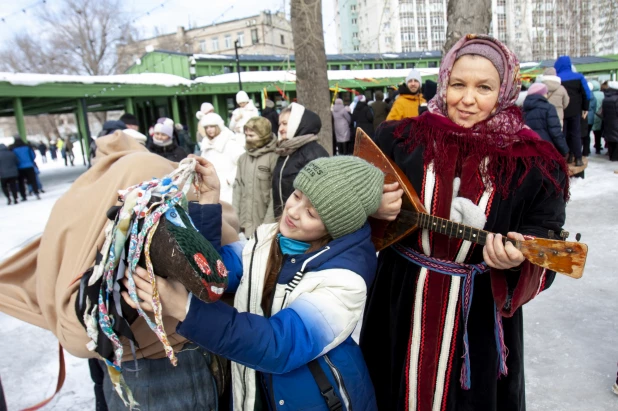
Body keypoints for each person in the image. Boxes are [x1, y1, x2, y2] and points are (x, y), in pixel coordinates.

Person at [360, 34, 569, 411]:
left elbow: (546, 239)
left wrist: (517, 259)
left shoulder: (535, 163)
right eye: (458, 84)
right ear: (443, 82)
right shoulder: (401, 140)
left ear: (505, 89)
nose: (467, 99)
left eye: (484, 87)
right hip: (400, 301)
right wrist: (372, 208)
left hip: (478, 319)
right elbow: (351, 209)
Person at [123, 155, 385, 411]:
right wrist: (208, 202)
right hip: (255, 390)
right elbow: (214, 273)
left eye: (311, 213)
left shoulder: (345, 280)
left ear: (334, 229)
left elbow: (279, 346)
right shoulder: (267, 238)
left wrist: (186, 310)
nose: (292, 211)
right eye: (296, 195)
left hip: (317, 398)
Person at [0, 132, 241, 411]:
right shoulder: (151, 171)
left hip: (114, 360)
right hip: (175, 359)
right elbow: (215, 251)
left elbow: (57, 259)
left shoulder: (80, 192)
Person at [272, 102, 329, 218]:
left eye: (285, 124)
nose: (280, 129)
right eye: (279, 124)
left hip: (301, 222)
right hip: (285, 219)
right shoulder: (285, 152)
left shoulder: (313, 153)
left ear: (297, 124)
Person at [233, 117, 278, 237]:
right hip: (245, 224)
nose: (248, 139)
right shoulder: (243, 159)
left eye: (252, 136)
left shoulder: (274, 157)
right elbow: (238, 189)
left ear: (263, 135)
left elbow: (276, 192)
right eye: (246, 135)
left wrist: (268, 224)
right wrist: (235, 219)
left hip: (264, 223)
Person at [199, 112, 245, 204]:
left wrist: (230, 180)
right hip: (212, 189)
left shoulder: (230, 143)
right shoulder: (206, 145)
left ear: (218, 126)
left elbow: (243, 162)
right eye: (206, 127)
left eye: (212, 126)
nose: (209, 130)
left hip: (229, 190)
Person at [555, 56, 591, 167]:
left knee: (564, 134)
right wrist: (585, 108)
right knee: (575, 134)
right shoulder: (579, 77)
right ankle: (578, 158)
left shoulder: (557, 78)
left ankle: (568, 156)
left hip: (562, 110)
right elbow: (587, 93)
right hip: (576, 111)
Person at [523, 83, 570, 155]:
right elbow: (555, 132)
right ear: (543, 94)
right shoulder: (549, 108)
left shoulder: (523, 109)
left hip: (529, 150)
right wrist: (564, 150)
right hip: (547, 149)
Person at [601, 81, 618, 161]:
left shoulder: (606, 98)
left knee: (611, 139)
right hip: (616, 122)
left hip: (608, 122)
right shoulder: (616, 99)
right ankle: (615, 157)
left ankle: (611, 156)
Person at [590, 80, 605, 154]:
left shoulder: (590, 94)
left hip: (592, 115)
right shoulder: (602, 94)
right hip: (601, 116)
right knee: (598, 133)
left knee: (590, 133)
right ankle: (598, 147)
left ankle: (588, 148)